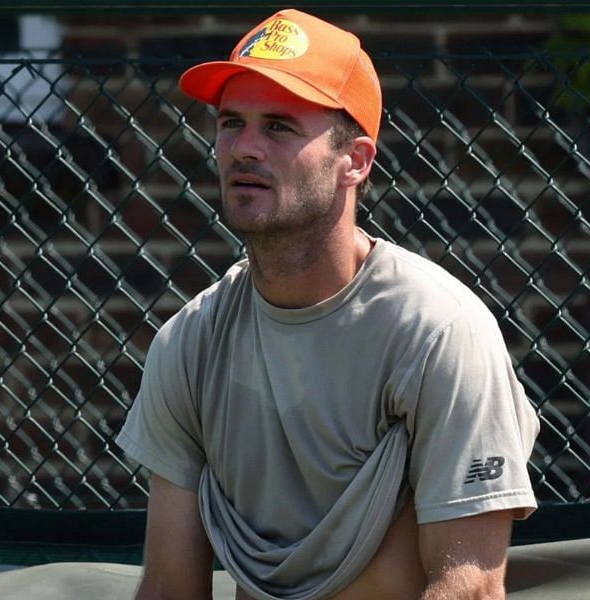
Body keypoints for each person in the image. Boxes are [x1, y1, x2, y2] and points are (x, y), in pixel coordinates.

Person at [117, 9, 538, 600]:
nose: (244, 148)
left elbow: (469, 588)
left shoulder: (439, 331)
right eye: (231, 122)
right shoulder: (188, 343)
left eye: (280, 127)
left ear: (356, 161)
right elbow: (169, 588)